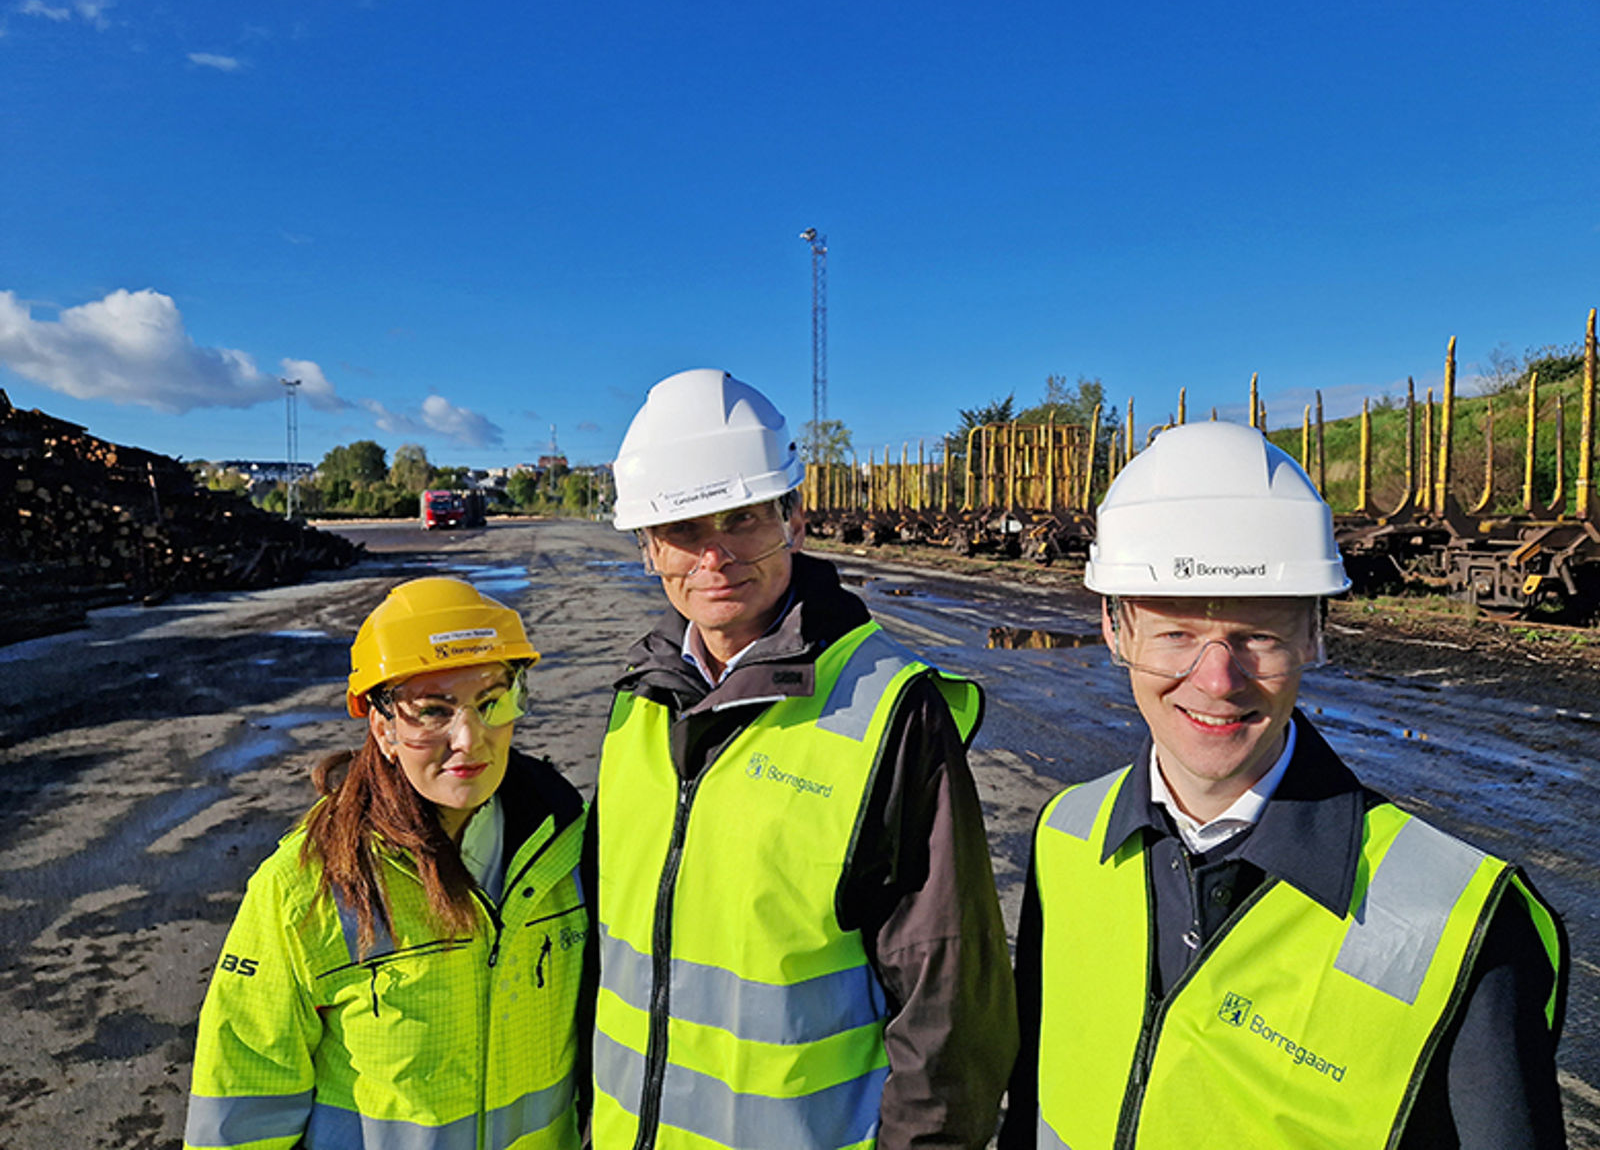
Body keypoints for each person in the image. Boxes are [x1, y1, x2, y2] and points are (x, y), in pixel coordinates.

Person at [999, 421, 1569, 1149]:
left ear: (1312, 635)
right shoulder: (1065, 835)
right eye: (1174, 633)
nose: (1216, 680)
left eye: (1258, 635)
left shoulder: (1463, 925)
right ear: (1114, 629)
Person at [588, 367, 1017, 1149]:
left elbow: (952, 1012)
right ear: (648, 547)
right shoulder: (639, 704)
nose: (714, 557)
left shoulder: (890, 708)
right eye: (684, 530)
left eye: (743, 518)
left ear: (795, 519)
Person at [184, 577, 590, 1150]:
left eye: (491, 701)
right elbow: (243, 1106)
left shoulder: (573, 851)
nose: (468, 738)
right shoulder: (306, 887)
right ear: (382, 727)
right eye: (431, 711)